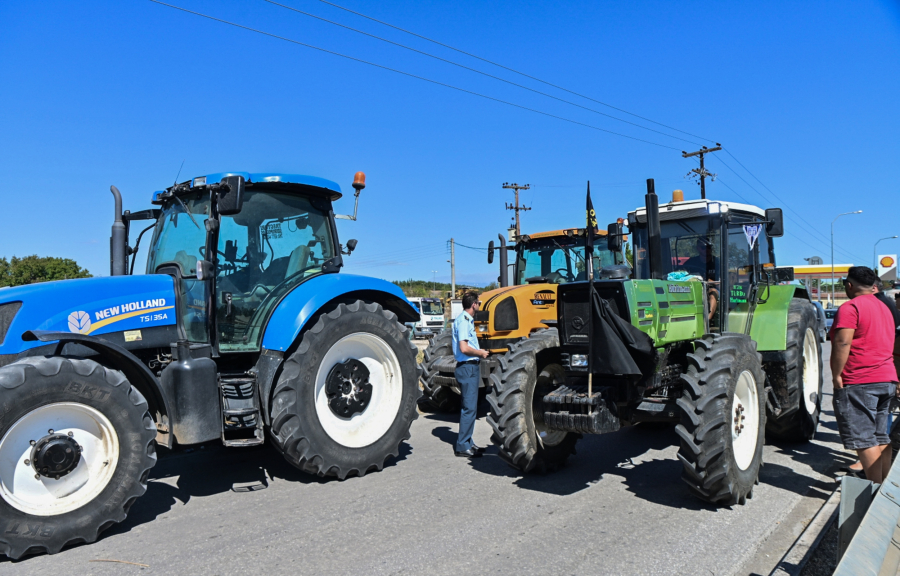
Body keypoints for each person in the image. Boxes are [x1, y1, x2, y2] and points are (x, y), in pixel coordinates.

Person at [831, 266, 900, 484]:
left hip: (860, 380)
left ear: (849, 285)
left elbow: (843, 342)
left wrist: (836, 374)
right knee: (881, 438)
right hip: (887, 378)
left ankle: (874, 488)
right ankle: (883, 489)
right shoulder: (885, 308)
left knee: (864, 440)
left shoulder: (850, 307)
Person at [451, 291, 489, 458]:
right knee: (469, 408)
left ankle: (468, 442)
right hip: (468, 367)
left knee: (471, 408)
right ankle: (462, 446)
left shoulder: (464, 320)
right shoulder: (465, 321)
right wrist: (480, 353)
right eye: (479, 303)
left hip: (468, 367)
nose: (479, 306)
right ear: (474, 304)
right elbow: (464, 348)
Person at [682, 236, 719, 321]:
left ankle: (705, 323)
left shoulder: (717, 262)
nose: (706, 250)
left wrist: (711, 282)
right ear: (698, 248)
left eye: (708, 247)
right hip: (693, 290)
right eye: (703, 247)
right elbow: (682, 276)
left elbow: (723, 282)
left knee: (713, 293)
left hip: (712, 289)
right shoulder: (691, 262)